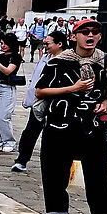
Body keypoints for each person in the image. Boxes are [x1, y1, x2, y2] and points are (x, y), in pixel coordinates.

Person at [32, 19, 107, 214]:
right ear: (74, 37)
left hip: (92, 125)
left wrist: (106, 104)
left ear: (99, 36)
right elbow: (40, 91)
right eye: (84, 32)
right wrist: (73, 88)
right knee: (55, 170)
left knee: (99, 173)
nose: (89, 36)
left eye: (94, 32)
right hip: (60, 123)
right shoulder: (60, 62)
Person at [10, 32, 71, 172]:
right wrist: (29, 96)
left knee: (54, 134)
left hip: (58, 102)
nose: (45, 46)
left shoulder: (68, 60)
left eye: (48, 44)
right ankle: (21, 160)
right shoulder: (45, 57)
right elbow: (37, 77)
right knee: (30, 131)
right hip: (39, 99)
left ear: (59, 44)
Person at [0, 28, 24, 152]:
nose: (3, 46)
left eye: (5, 43)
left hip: (7, 87)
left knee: (3, 116)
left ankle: (9, 141)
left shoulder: (16, 57)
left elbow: (8, 71)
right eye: (1, 43)